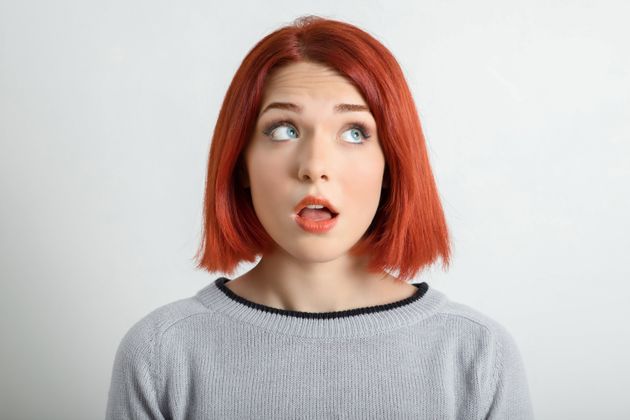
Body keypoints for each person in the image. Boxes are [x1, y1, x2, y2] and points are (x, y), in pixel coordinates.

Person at [106, 15, 534, 419]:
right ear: (240, 163)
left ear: (393, 164)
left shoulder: (478, 355)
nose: (314, 164)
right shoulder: (161, 354)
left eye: (354, 133)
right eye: (283, 130)